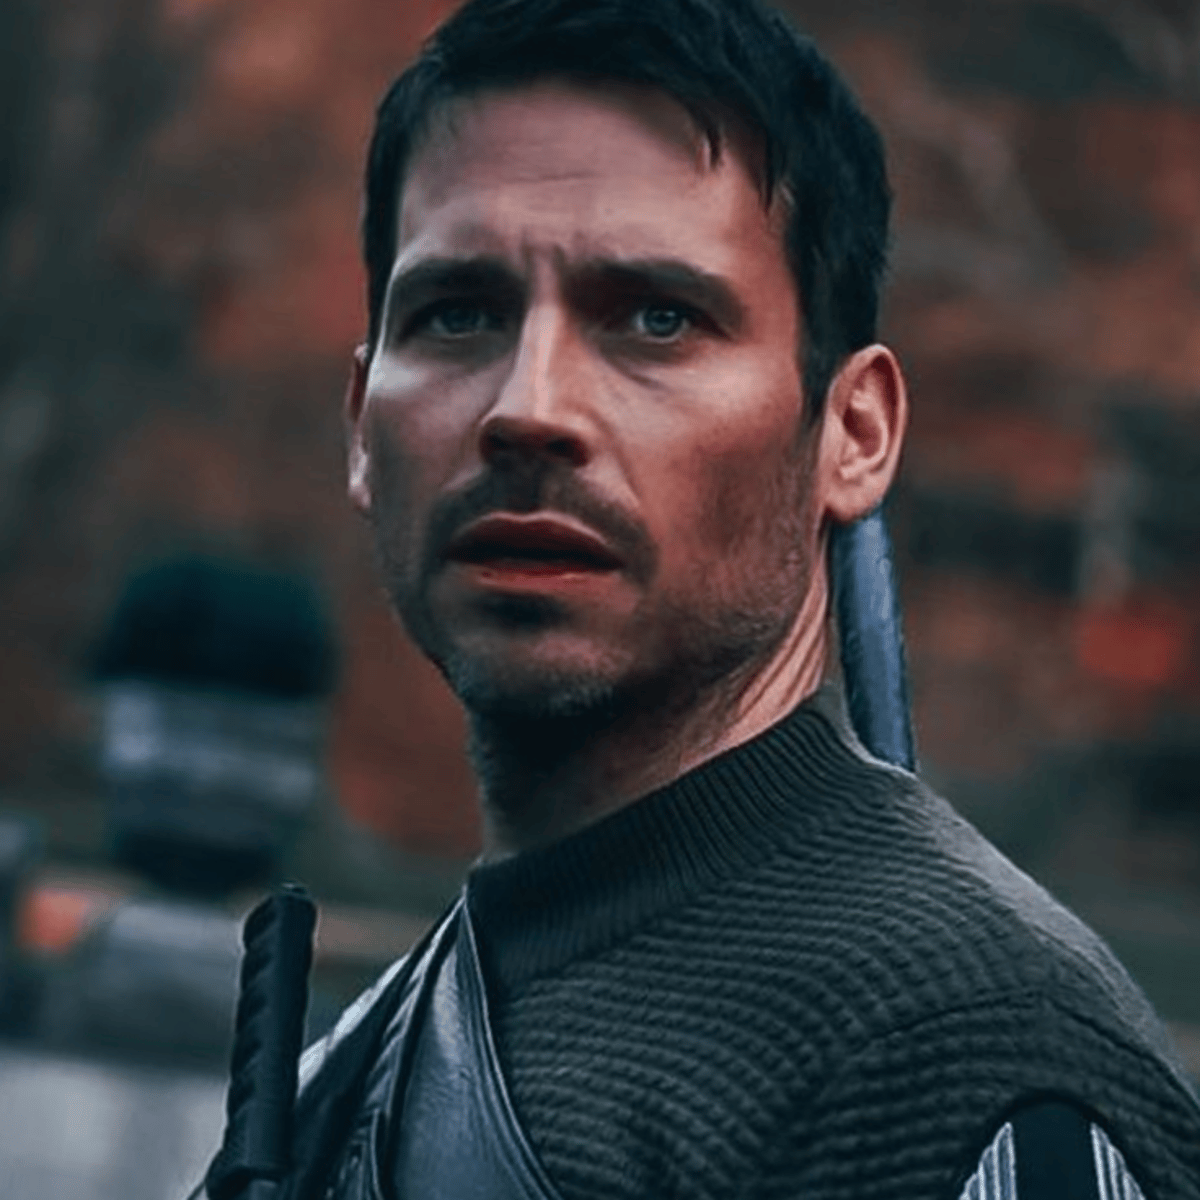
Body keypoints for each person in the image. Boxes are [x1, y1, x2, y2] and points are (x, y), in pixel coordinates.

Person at [199, 1, 1200, 1197]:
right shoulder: (358, 1064)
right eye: (458, 313)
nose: (529, 409)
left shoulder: (961, 1053)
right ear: (362, 424)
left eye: (657, 318)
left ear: (854, 432)